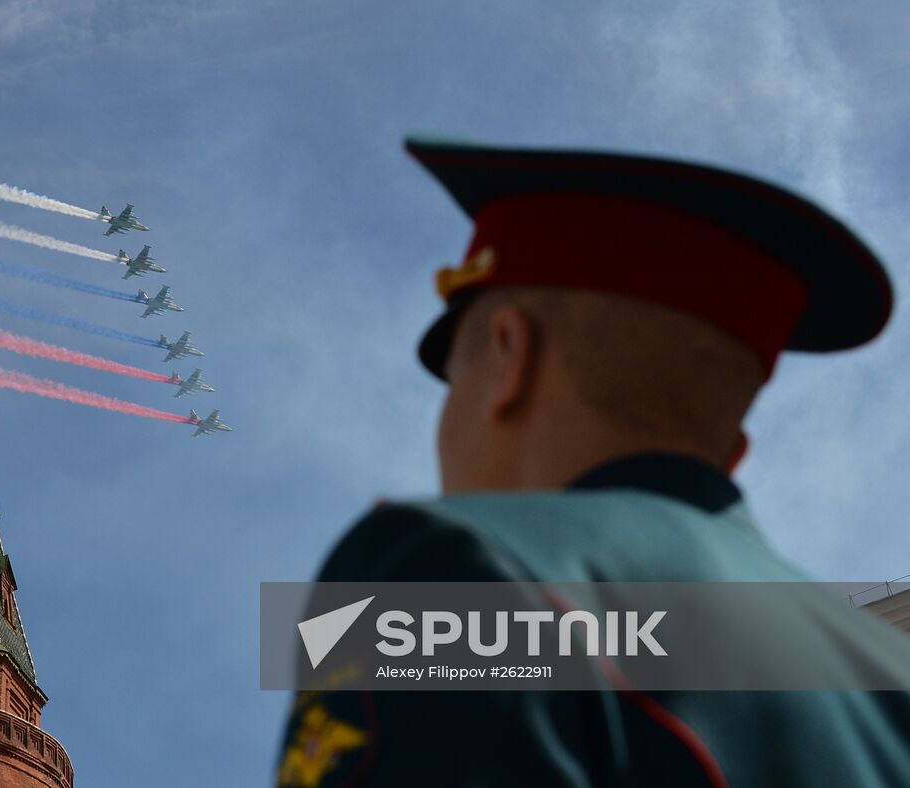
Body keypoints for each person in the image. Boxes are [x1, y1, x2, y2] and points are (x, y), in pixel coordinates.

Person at [276, 138, 910, 787]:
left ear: (506, 354)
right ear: (733, 453)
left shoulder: (447, 569)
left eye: (454, 381)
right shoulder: (889, 677)